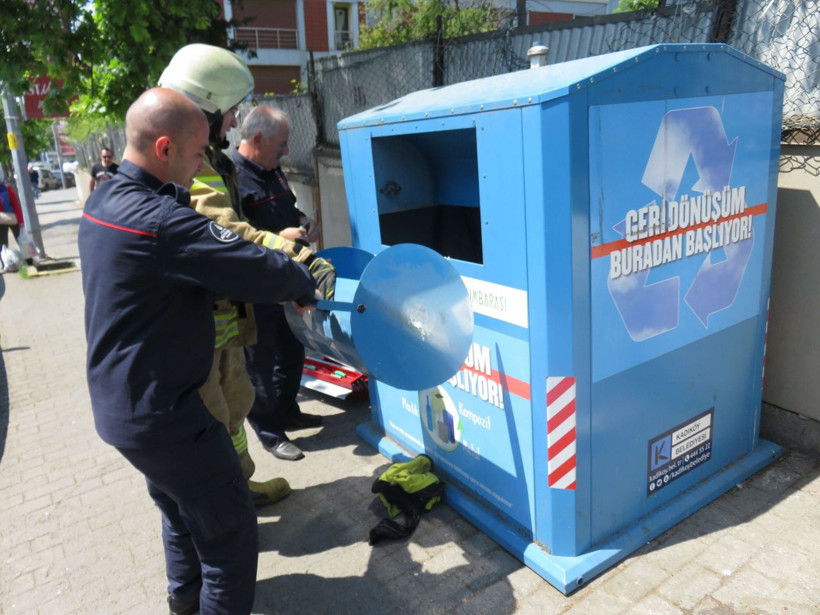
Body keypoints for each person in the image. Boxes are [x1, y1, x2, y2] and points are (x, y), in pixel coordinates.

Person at [79, 87, 316, 614]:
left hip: (124, 408)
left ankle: (182, 601)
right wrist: (301, 278)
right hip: (168, 415)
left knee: (178, 508)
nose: (202, 166)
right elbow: (248, 266)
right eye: (196, 154)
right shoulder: (163, 224)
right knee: (230, 537)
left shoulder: (105, 198)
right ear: (165, 148)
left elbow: (187, 226)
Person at [158, 44, 335, 469]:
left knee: (232, 399)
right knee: (219, 408)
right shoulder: (190, 162)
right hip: (201, 315)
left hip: (224, 308)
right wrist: (299, 258)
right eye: (231, 111)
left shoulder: (211, 159)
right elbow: (230, 232)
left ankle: (243, 483)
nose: (235, 120)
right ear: (206, 109)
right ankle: (232, 497)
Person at [233, 106, 330, 462]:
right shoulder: (233, 179)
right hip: (256, 287)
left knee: (292, 349)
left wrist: (304, 222)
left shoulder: (273, 170)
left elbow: (289, 209)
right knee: (260, 360)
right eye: (282, 144)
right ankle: (270, 432)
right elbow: (232, 237)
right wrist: (279, 236)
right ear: (257, 140)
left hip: (286, 280)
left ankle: (289, 410)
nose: (287, 151)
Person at [0, 181, 24, 272]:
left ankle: (29, 259)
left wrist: (21, 221)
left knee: (21, 239)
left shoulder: (7, 188)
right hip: (1, 221)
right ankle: (6, 264)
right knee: (3, 244)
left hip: (12, 217)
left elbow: (15, 204)